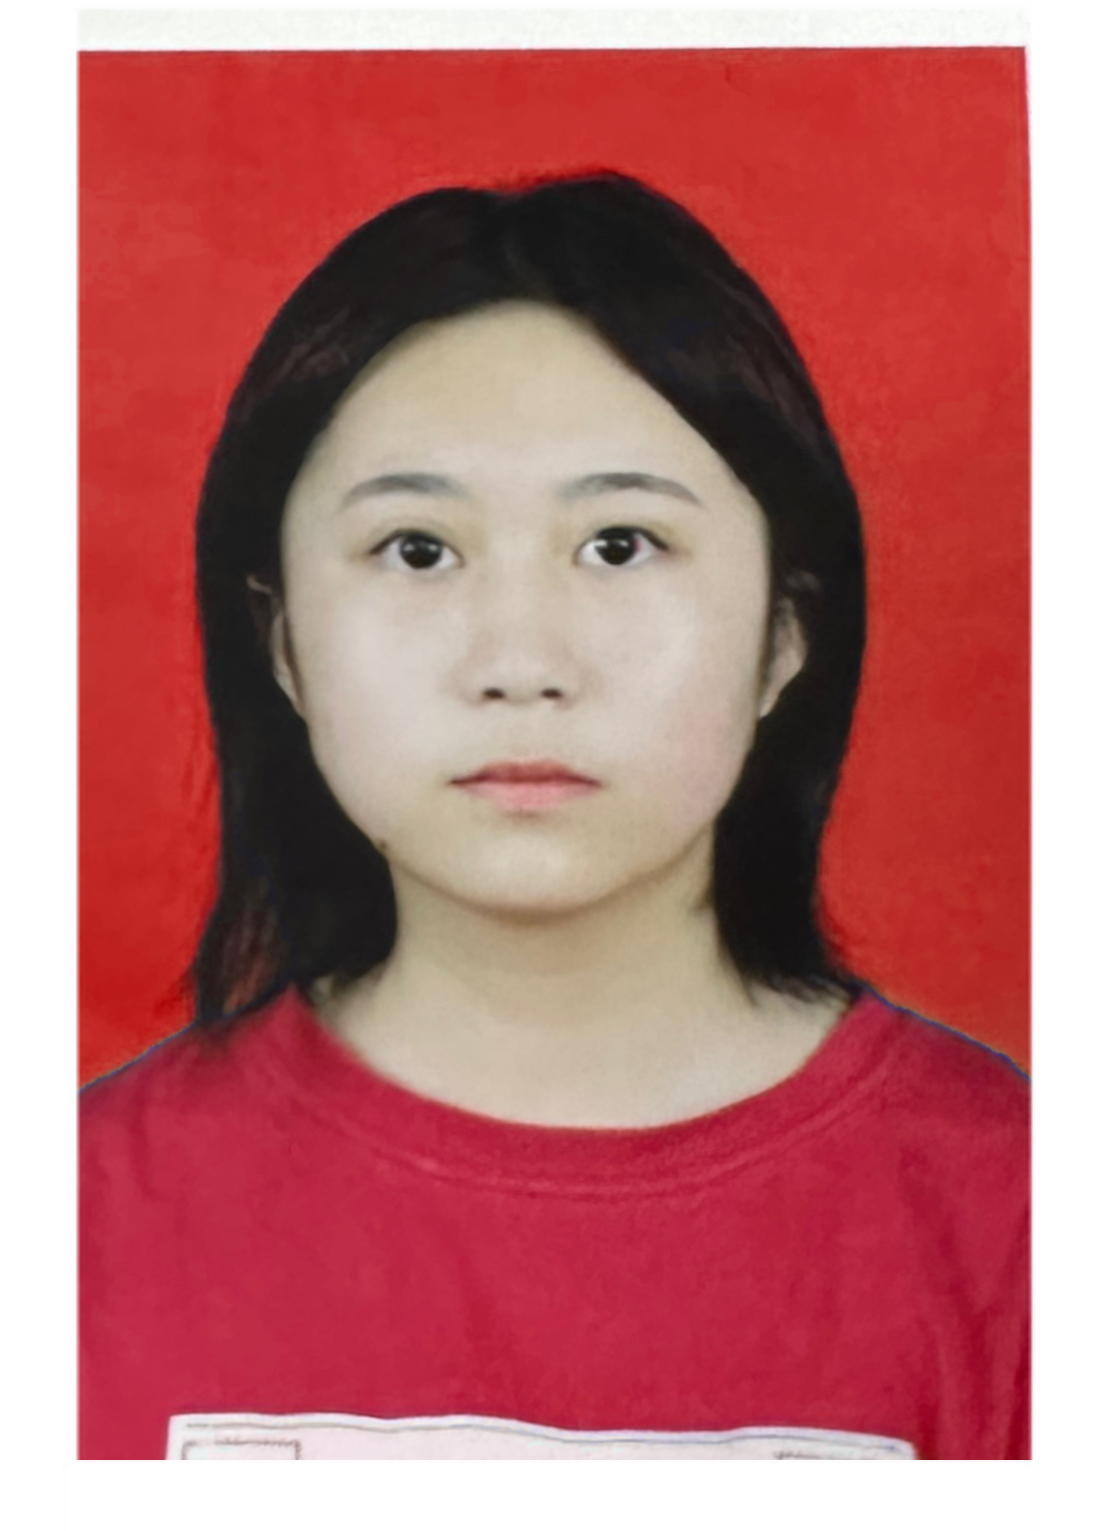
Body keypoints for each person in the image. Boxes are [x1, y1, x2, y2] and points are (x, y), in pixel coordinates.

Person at [80, 172, 1029, 1460]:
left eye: (621, 544)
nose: (521, 662)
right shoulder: (74, 1215)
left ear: (784, 634)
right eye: (417, 549)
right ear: (284, 641)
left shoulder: (1020, 1218)